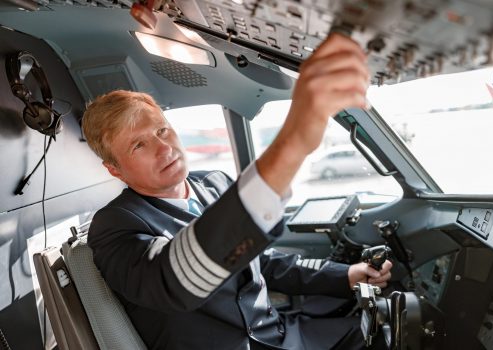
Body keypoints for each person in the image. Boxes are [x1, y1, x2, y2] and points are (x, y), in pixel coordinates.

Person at [82, 33, 392, 350]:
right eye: (139, 145)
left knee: (387, 330)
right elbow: (174, 279)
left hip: (277, 335)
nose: (164, 149)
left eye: (162, 130)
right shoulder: (114, 225)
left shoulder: (214, 183)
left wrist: (345, 275)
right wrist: (293, 143)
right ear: (115, 169)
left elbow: (264, 263)